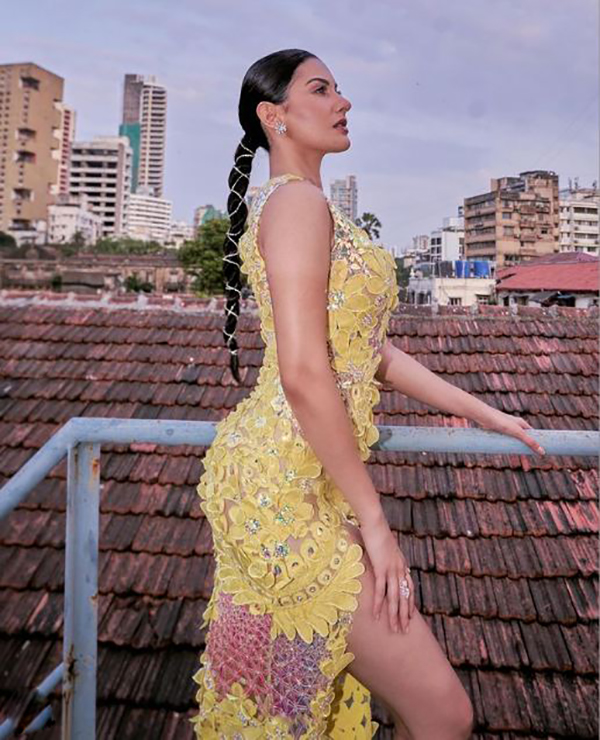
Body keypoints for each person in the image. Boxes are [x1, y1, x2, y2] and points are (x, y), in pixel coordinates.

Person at [191, 48, 546, 739]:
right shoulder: (296, 204)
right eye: (321, 89)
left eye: (340, 89)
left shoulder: (304, 206)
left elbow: (367, 353)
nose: (343, 101)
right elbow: (303, 371)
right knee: (442, 712)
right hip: (282, 487)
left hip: (300, 477)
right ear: (274, 115)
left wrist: (482, 411)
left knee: (364, 705)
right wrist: (377, 527)